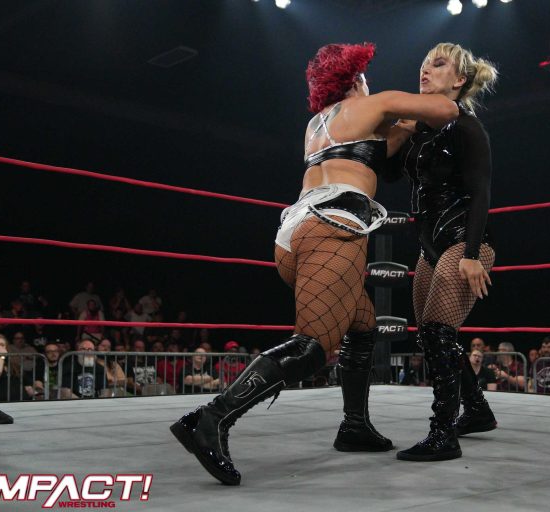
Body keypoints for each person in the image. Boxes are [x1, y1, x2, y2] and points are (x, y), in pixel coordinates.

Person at [169, 42, 459, 485]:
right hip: (333, 230)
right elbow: (446, 110)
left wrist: (404, 126)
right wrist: (427, 99)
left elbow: (376, 151)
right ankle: (210, 419)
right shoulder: (374, 104)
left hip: (294, 233)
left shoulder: (317, 123)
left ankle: (355, 425)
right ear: (356, 78)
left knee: (362, 325)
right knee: (311, 347)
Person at [383, 42, 499, 461]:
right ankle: (478, 410)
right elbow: (387, 171)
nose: (425, 70)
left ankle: (443, 433)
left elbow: (481, 193)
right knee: (433, 336)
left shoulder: (467, 127)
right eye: (423, 65)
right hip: (429, 246)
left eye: (438, 64)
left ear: (460, 79)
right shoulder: (419, 130)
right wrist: (400, 125)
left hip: (465, 241)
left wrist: (471, 254)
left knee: (436, 331)